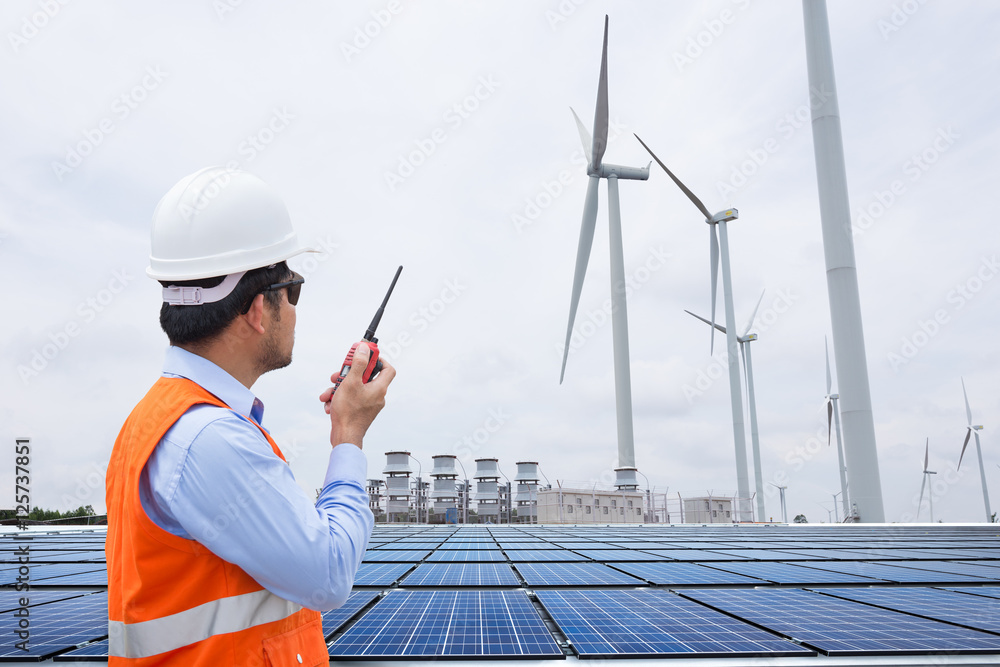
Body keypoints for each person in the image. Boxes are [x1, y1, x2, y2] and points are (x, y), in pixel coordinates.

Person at [105, 166, 394, 667]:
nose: (297, 308)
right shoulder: (209, 438)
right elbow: (327, 573)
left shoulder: (161, 419)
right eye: (294, 289)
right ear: (260, 310)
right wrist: (349, 435)